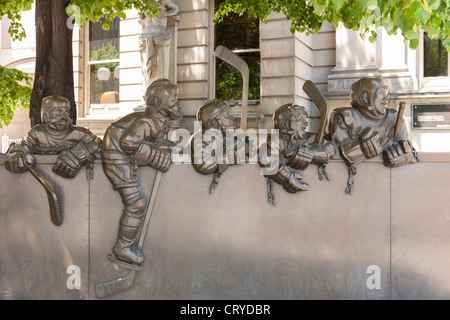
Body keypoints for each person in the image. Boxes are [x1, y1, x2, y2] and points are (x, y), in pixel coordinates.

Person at [102, 78, 181, 267]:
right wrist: (154, 156)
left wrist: (165, 147)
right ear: (156, 104)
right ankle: (123, 246)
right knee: (136, 204)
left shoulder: (159, 121)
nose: (177, 102)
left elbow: (152, 142)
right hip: (116, 156)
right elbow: (128, 143)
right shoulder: (146, 122)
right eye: (172, 98)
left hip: (123, 154)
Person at [328, 76, 418, 194]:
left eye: (387, 93)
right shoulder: (344, 117)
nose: (387, 98)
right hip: (349, 188)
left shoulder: (395, 119)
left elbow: (408, 150)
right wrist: (360, 150)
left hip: (386, 187)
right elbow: (334, 153)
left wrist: (404, 156)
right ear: (365, 97)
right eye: (381, 93)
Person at [4, 95, 101, 178]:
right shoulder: (37, 133)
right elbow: (25, 147)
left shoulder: (80, 133)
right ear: (45, 116)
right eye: (58, 112)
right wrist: (17, 154)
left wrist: (78, 153)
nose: (64, 116)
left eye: (66, 111)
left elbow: (99, 145)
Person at [261, 103, 336, 204]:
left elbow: (330, 148)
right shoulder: (275, 140)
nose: (306, 123)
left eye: (305, 119)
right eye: (301, 119)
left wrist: (312, 154)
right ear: (287, 124)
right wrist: (287, 177)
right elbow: (266, 158)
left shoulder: (309, 138)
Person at [190, 99, 251, 194]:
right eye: (227, 117)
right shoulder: (200, 139)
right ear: (215, 122)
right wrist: (229, 156)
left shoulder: (226, 137)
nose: (232, 119)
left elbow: (248, 147)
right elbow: (204, 165)